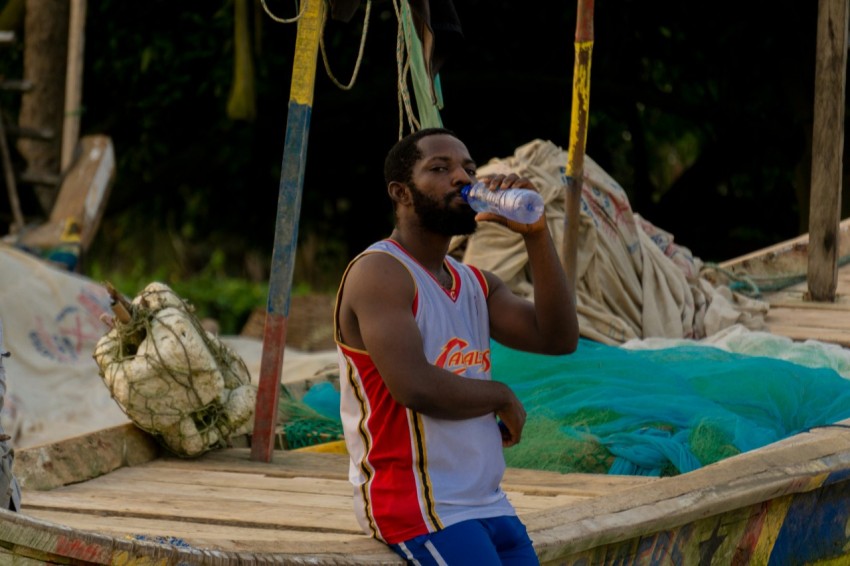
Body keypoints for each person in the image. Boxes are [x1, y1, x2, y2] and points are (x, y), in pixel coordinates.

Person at [334, 127, 579, 564]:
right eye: (440, 168)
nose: (462, 179)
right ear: (401, 193)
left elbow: (558, 338)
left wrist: (536, 235)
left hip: (488, 501)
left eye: (468, 168)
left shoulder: (476, 283)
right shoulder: (380, 273)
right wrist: (500, 395)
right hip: (420, 507)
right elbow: (414, 386)